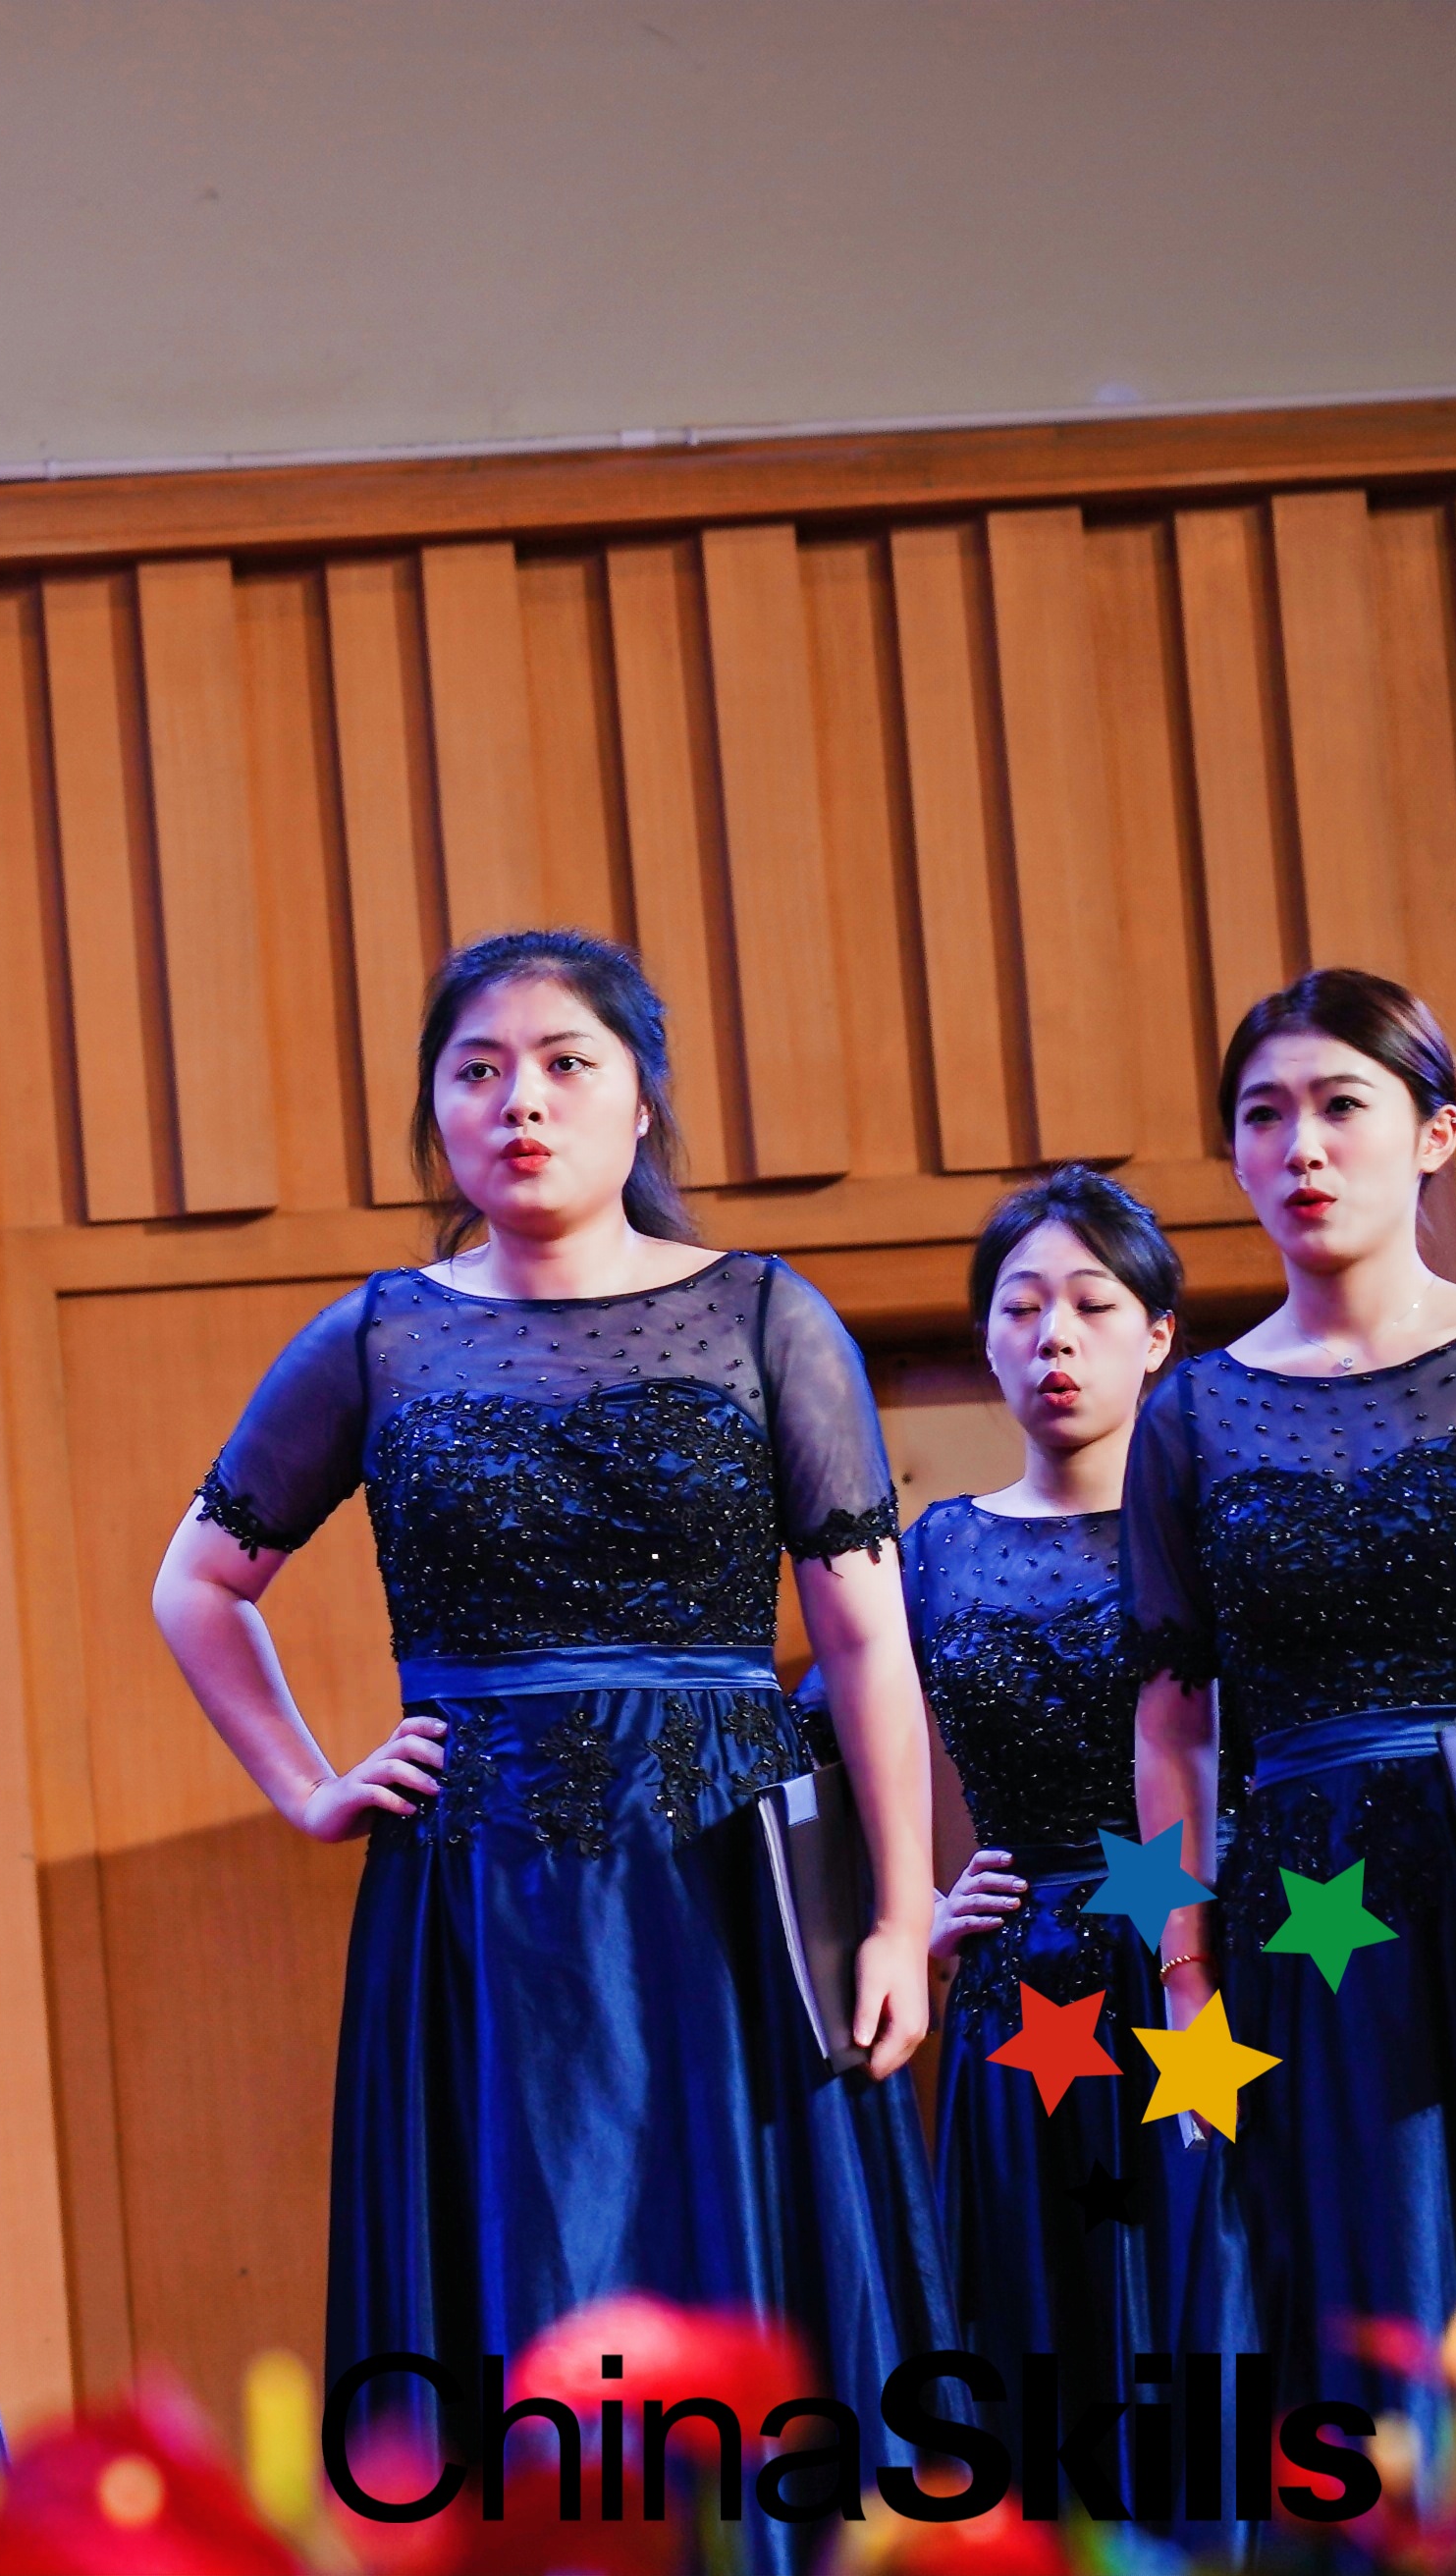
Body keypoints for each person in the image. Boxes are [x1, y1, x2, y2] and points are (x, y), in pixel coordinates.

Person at [150, 929, 947, 2475]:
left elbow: (864, 1643)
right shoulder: (381, 1334)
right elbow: (198, 1585)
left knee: (751, 2285)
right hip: (482, 1900)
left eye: (566, 1064)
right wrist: (308, 1784)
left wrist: (899, 1914)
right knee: (516, 2296)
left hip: (727, 1886)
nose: (521, 1100)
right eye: (478, 1071)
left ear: (641, 1102)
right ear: (437, 1114)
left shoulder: (765, 1316)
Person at [1129, 967, 1456, 2411]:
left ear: (1435, 1132)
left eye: (1340, 1104)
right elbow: (1171, 1727)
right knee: (1375, 2304)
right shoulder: (1189, 1416)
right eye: (1263, 1114)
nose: (1300, 1145)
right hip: (1317, 1915)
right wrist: (1182, 1977)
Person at [911, 1171, 1248, 2423]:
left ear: (1157, 1335)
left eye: (1093, 1305)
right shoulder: (935, 1548)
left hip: (1203, 1971)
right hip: (1023, 1991)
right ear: (987, 1339)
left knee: (1217, 2336)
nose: (1054, 1335)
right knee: (1034, 2351)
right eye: (1021, 1307)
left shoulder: (1222, 1529)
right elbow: (807, 1751)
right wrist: (902, 1917)